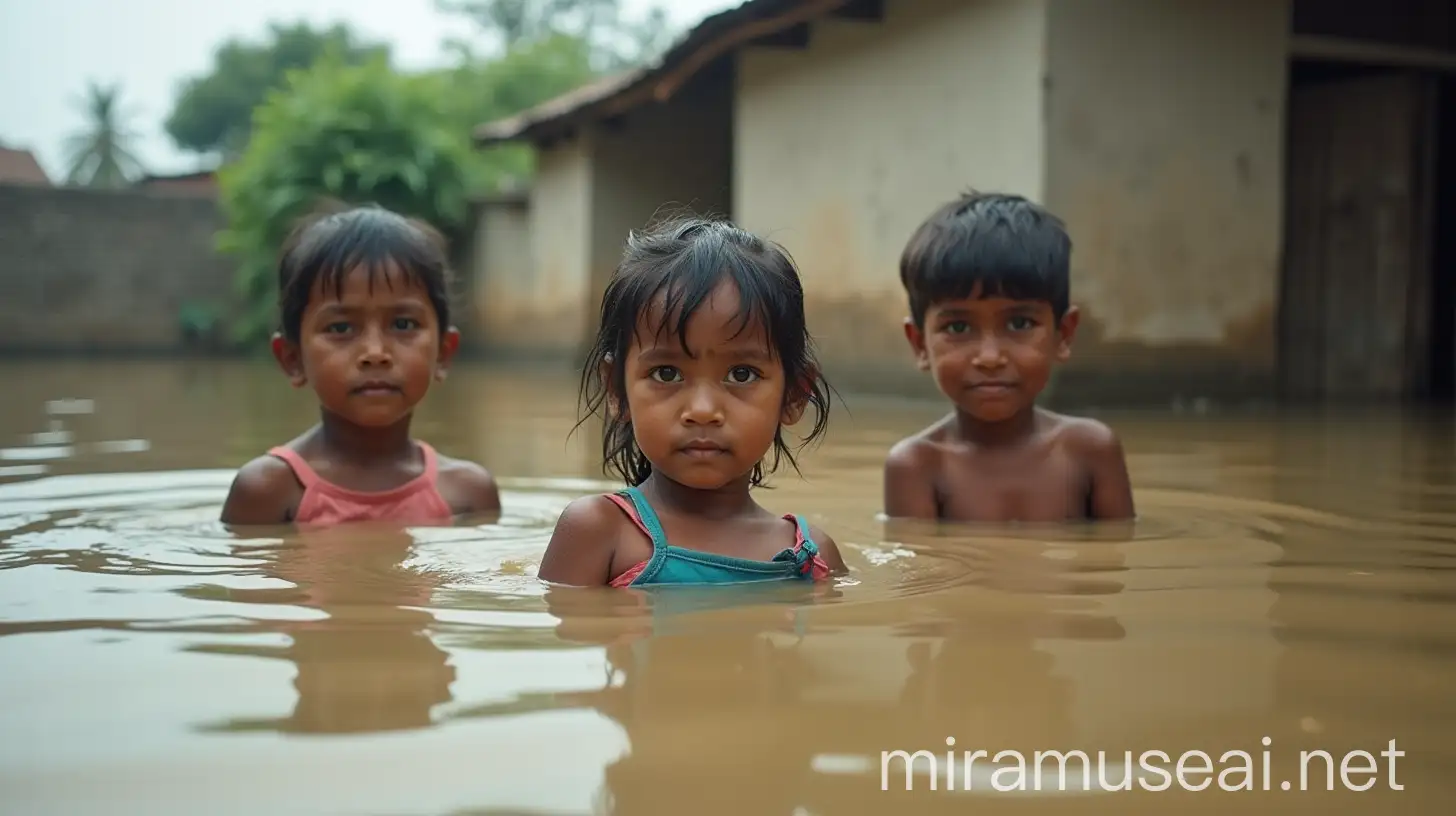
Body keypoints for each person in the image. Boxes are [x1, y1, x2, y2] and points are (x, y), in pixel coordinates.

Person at [537, 215, 848, 587]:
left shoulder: (812, 556)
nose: (702, 410)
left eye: (742, 374)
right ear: (617, 390)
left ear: (794, 396)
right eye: (666, 374)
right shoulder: (600, 531)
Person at [219, 204, 500, 526]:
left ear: (443, 353)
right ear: (292, 359)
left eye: (404, 324)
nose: (375, 352)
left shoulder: (467, 494)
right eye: (340, 328)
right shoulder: (269, 490)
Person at [882, 190, 1135, 523]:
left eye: (1019, 323)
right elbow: (926, 573)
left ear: (1064, 334)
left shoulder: (1091, 451)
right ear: (919, 344)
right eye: (958, 327)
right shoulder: (918, 465)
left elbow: (1115, 560)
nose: (990, 357)